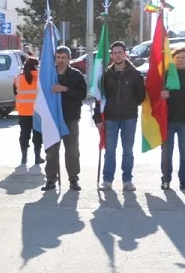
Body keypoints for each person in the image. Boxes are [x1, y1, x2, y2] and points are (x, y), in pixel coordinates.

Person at [94, 41, 145, 192]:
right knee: (109, 151)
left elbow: (141, 96)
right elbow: (98, 98)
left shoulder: (135, 74)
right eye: (114, 53)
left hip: (129, 117)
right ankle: (107, 180)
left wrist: (129, 105)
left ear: (125, 54)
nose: (117, 55)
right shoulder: (105, 75)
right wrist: (97, 119)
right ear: (111, 55)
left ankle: (127, 180)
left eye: (120, 52)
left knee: (128, 151)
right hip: (110, 118)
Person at [42, 45, 88, 192]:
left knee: (72, 150)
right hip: (52, 119)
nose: (61, 61)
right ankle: (50, 179)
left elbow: (82, 94)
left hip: (70, 118)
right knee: (52, 151)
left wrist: (65, 89)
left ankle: (73, 179)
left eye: (64, 58)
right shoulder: (49, 74)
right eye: (58, 57)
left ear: (69, 59)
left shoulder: (76, 75)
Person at [160, 47, 185, 190]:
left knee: (184, 152)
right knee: (166, 152)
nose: (181, 60)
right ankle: (165, 179)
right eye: (178, 58)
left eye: (183, 58)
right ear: (173, 59)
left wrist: (171, 94)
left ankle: (183, 180)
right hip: (168, 120)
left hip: (183, 120)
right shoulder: (167, 74)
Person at [15, 57, 43, 165]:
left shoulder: (18, 79)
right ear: (36, 66)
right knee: (37, 135)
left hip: (23, 111)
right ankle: (37, 157)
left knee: (24, 134)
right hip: (37, 111)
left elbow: (15, 91)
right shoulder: (40, 78)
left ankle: (24, 157)